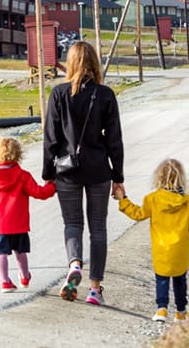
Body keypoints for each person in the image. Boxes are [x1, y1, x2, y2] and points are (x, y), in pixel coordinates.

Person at [42, 40, 124, 305]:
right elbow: (114, 140)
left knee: (72, 224)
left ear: (71, 62)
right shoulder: (105, 95)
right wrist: (118, 178)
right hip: (99, 170)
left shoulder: (59, 94)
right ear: (94, 63)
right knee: (98, 228)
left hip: (67, 170)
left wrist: (48, 174)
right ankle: (94, 289)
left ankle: (75, 264)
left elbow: (51, 138)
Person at [115, 159, 189, 323]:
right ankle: (181, 312)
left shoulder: (152, 199)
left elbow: (138, 214)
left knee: (161, 278)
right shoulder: (187, 201)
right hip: (180, 249)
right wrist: (183, 233)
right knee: (180, 280)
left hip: (161, 248)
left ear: (158, 178)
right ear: (181, 178)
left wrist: (123, 199)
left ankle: (161, 310)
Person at [0, 137, 56, 292]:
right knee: (20, 251)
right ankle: (25, 276)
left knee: (1, 253)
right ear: (18, 154)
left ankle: (5, 281)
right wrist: (52, 187)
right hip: (18, 222)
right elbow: (39, 192)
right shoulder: (23, 176)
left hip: (0, 223)